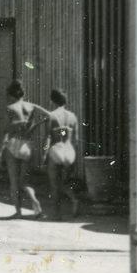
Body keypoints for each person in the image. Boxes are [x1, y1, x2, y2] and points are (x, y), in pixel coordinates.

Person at [0, 79, 49, 219]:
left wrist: (0, 153)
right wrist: (36, 125)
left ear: (11, 95)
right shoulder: (31, 106)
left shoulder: (10, 108)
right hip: (27, 145)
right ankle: (35, 202)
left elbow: (6, 132)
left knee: (14, 183)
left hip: (14, 143)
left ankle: (18, 212)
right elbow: (49, 115)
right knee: (25, 181)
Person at [45, 88, 80, 220]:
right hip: (69, 151)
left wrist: (44, 154)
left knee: (54, 184)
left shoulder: (52, 116)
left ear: (52, 101)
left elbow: (48, 137)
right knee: (64, 182)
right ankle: (74, 199)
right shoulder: (73, 116)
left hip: (57, 150)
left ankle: (56, 214)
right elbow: (76, 139)